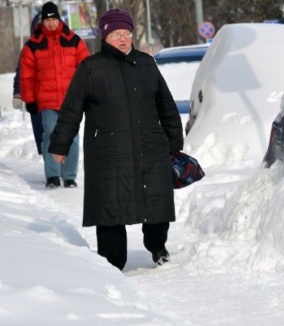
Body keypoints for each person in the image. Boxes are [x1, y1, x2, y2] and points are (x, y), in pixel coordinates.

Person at [49, 8, 184, 270]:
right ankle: (112, 263)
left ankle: (158, 247)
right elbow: (71, 110)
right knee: (109, 205)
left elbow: (166, 106)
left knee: (156, 199)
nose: (123, 39)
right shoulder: (90, 68)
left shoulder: (146, 63)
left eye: (126, 33)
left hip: (150, 146)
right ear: (105, 36)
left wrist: (174, 141)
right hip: (108, 150)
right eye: (116, 34)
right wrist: (60, 144)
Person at [20, 2, 89, 188]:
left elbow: (87, 70)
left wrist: (87, 94)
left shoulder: (74, 41)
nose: (50, 23)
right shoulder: (33, 45)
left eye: (53, 19)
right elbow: (26, 75)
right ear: (42, 21)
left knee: (72, 136)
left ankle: (69, 176)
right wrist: (30, 99)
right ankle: (52, 175)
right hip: (47, 100)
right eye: (47, 20)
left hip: (71, 100)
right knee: (50, 131)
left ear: (59, 19)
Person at [13, 12, 44, 155]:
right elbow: (21, 72)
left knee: (58, 133)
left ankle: (60, 167)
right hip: (35, 99)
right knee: (42, 134)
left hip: (58, 97)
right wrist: (17, 93)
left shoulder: (61, 46)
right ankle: (51, 170)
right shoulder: (29, 48)